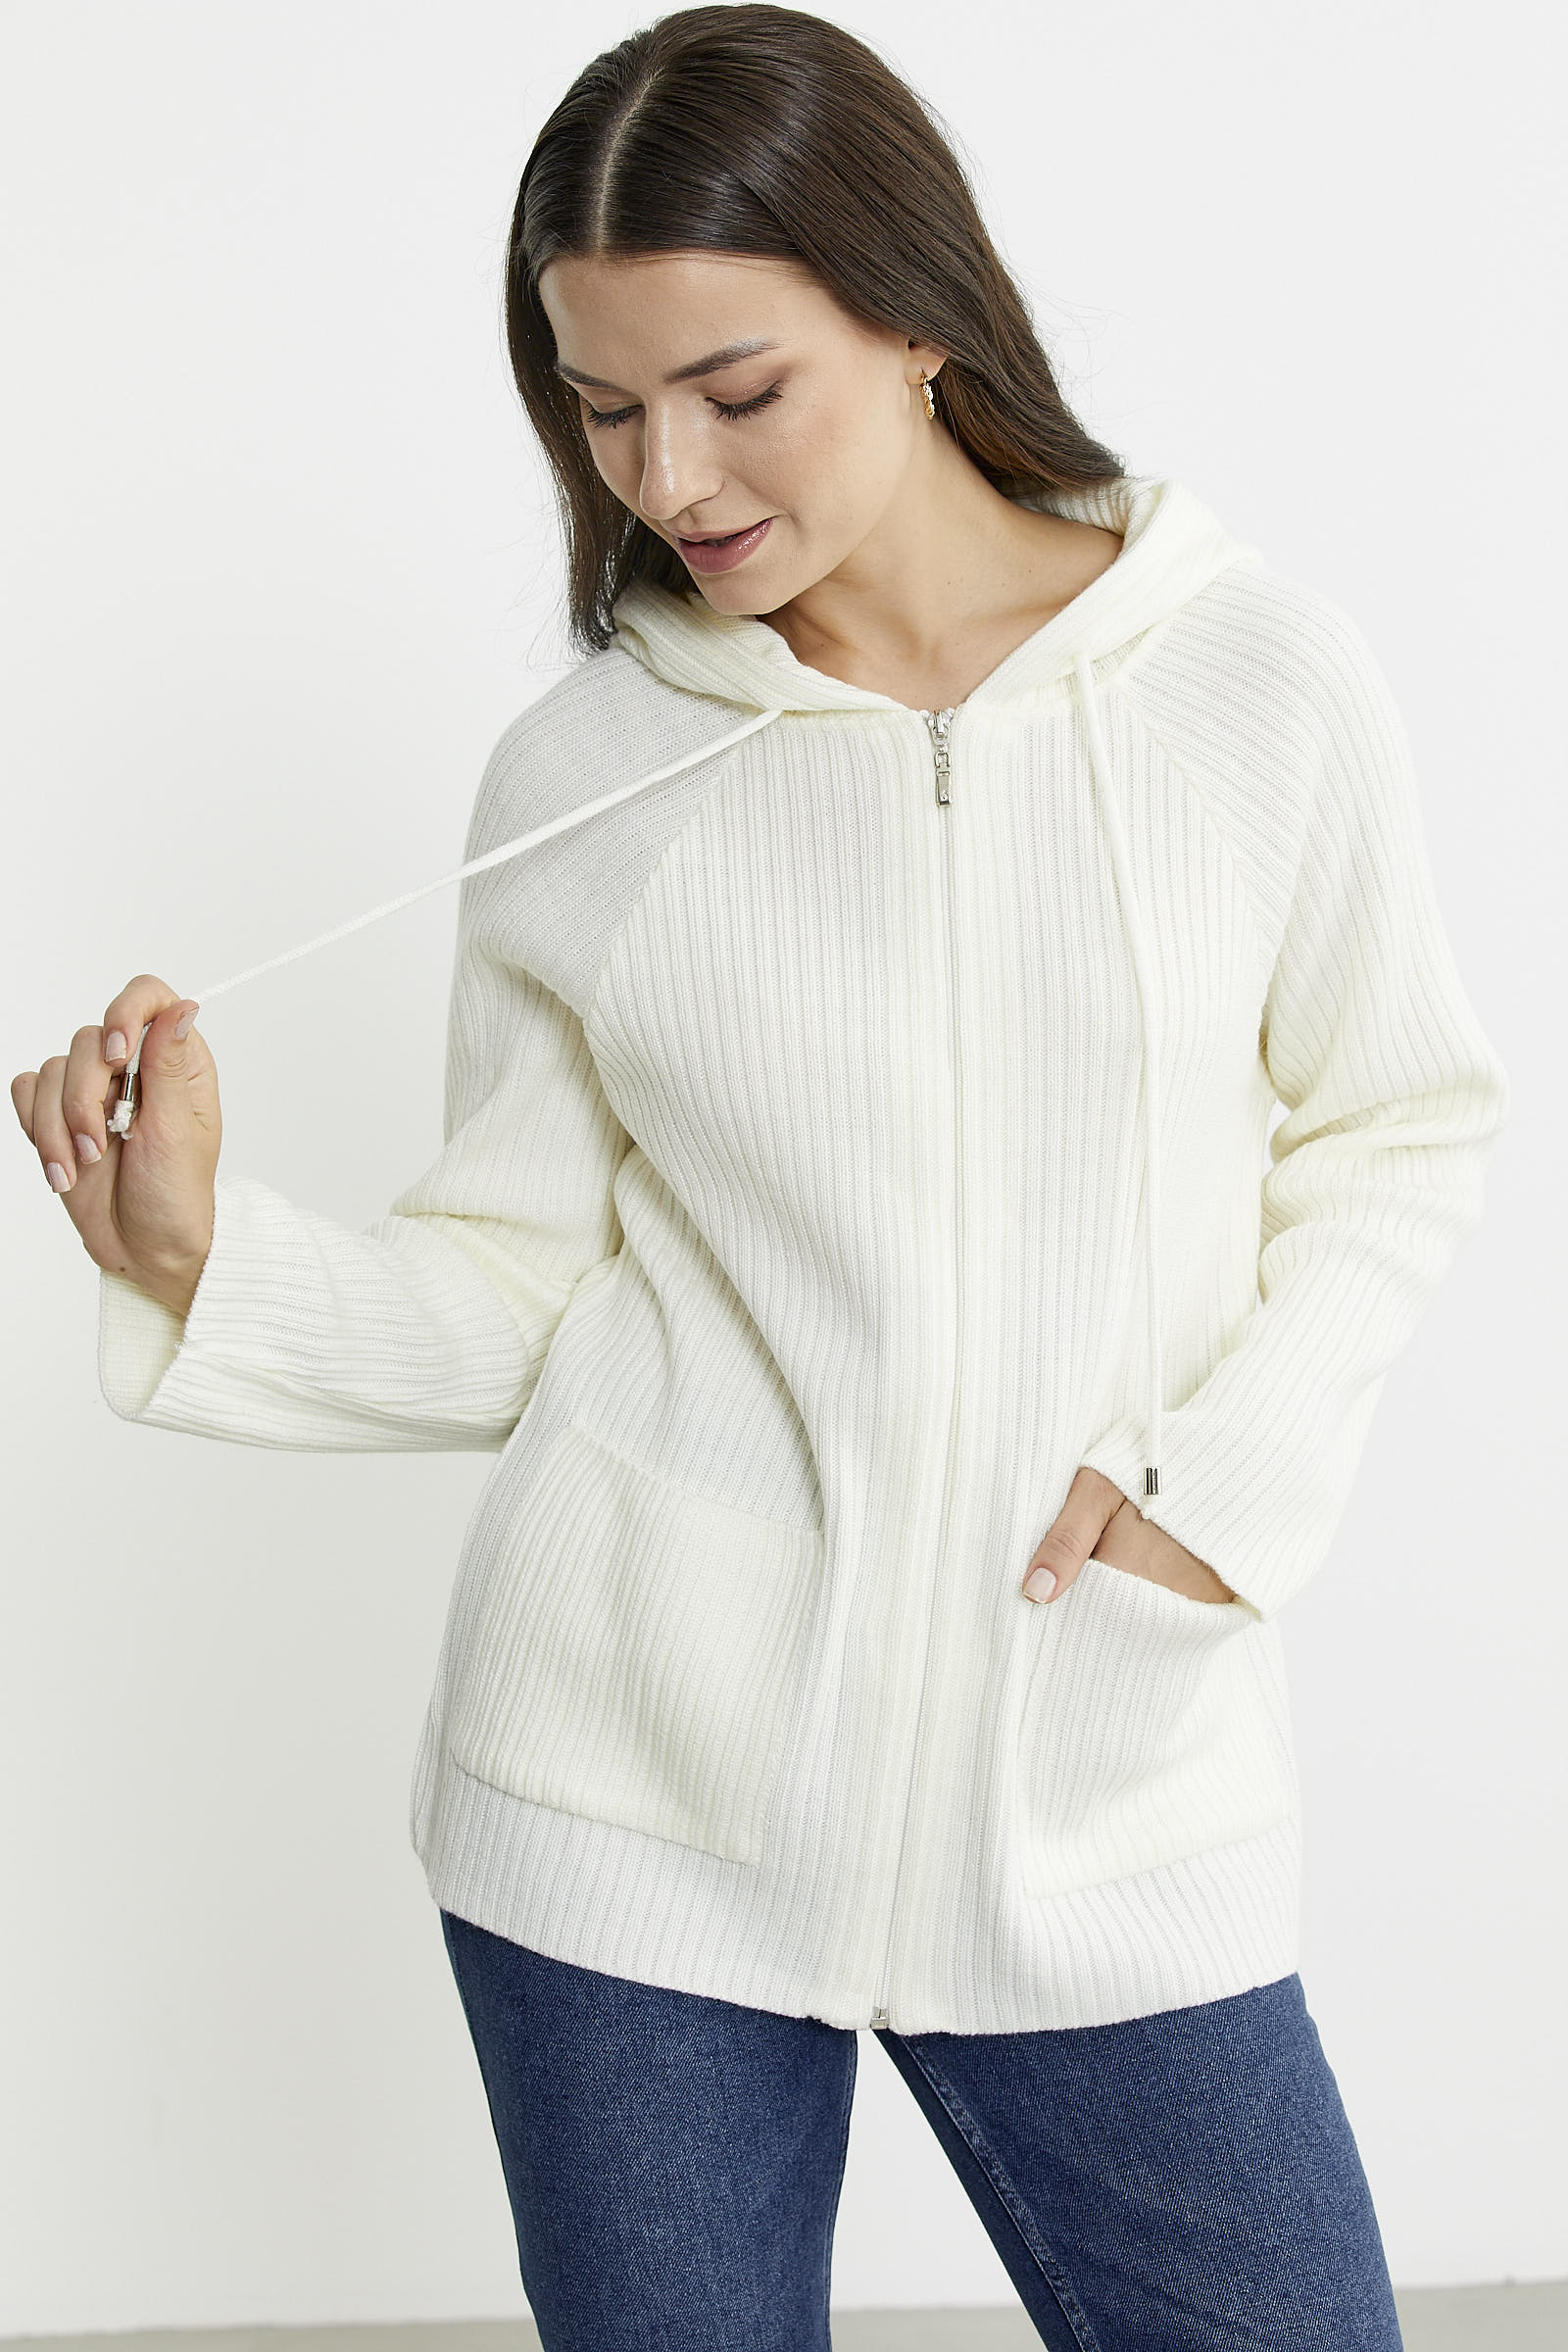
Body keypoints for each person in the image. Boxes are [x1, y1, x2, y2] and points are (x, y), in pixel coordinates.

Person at [12, 7, 1509, 2346]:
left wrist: (1215, 1495)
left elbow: (1396, 1120)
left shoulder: (1247, 687)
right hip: (619, 1807)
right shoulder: (588, 772)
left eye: (734, 389)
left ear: (913, 318)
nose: (667, 477)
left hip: (1100, 1780)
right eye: (600, 409)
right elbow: (520, 1288)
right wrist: (207, 1260)